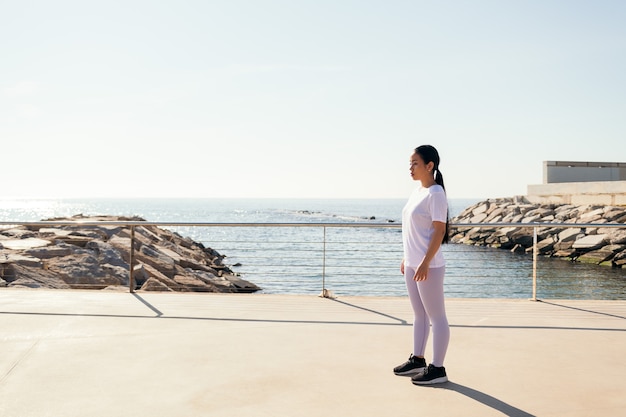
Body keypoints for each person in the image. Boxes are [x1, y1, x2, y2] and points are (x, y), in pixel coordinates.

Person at [393, 145, 450, 385]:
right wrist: (408, 258)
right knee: (419, 314)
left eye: (415, 163)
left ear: (430, 165)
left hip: (429, 266)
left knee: (437, 317)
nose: (410, 167)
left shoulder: (436, 193)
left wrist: (425, 262)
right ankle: (418, 359)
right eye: (410, 163)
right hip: (413, 264)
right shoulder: (417, 192)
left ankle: (438, 369)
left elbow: (439, 230)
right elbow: (414, 229)